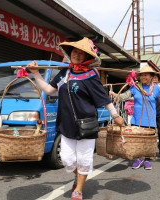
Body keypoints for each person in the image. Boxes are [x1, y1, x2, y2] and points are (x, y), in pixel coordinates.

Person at [27, 37, 123, 200]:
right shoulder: (65, 73)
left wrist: (115, 115)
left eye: (81, 53)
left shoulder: (91, 75)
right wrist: (35, 74)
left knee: (84, 159)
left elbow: (104, 98)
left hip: (86, 124)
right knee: (67, 159)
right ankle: (77, 176)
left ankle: (78, 188)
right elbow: (49, 90)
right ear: (70, 53)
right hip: (67, 124)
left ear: (87, 57)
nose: (77, 55)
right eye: (75, 51)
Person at [109, 65, 160, 170]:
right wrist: (115, 94)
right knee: (137, 141)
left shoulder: (156, 89)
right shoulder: (135, 88)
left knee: (148, 142)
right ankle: (138, 158)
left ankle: (146, 160)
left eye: (146, 75)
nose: (143, 77)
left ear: (152, 76)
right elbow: (124, 97)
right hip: (136, 119)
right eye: (141, 75)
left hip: (150, 120)